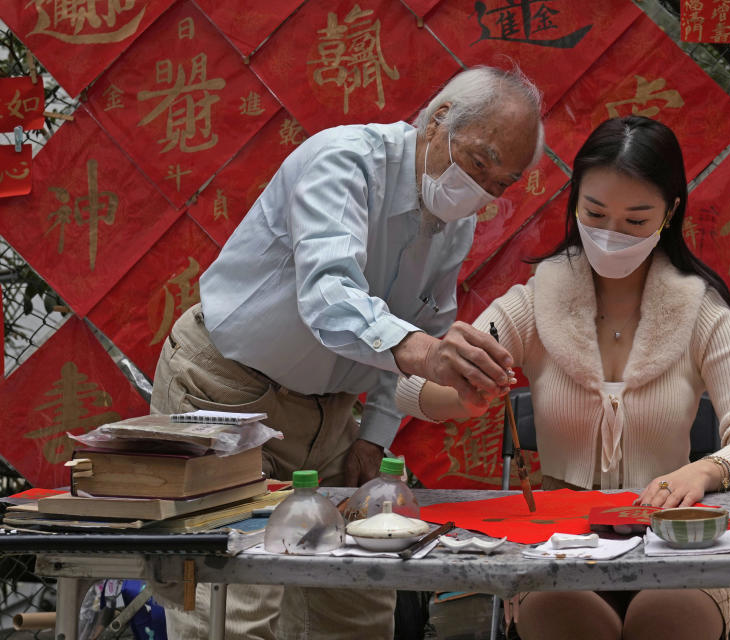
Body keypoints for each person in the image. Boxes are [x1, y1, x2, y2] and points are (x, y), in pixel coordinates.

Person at [149, 66, 543, 639]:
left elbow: (419, 325)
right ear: (437, 122)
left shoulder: (454, 221)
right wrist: (425, 352)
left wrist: (375, 432)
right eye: (478, 164)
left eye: (500, 184)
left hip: (331, 415)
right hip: (224, 390)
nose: (480, 190)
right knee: (232, 606)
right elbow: (332, 298)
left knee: (356, 601)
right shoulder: (344, 160)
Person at [396, 115, 730, 640]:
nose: (611, 235)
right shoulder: (536, 300)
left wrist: (702, 473)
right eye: (596, 213)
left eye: (635, 220)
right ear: (574, 201)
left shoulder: (702, 312)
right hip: (560, 540)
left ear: (670, 214)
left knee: (666, 621)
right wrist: (461, 387)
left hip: (675, 534)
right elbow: (409, 389)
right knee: (567, 617)